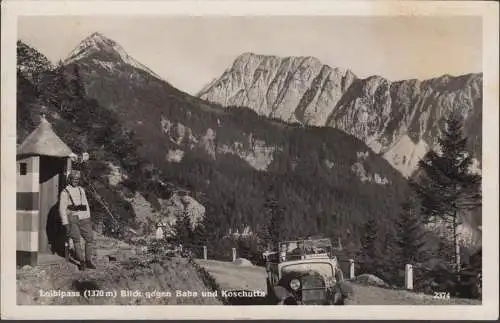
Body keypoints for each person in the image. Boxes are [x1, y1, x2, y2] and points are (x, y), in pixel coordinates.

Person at [59, 170, 96, 270]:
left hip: (84, 217)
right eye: (74, 179)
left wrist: (88, 216)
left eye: (77, 179)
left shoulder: (81, 190)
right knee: (76, 240)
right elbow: (62, 209)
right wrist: (65, 223)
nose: (76, 181)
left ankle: (88, 260)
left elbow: (86, 204)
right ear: (69, 179)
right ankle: (82, 262)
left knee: (89, 239)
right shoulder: (65, 192)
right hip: (72, 218)